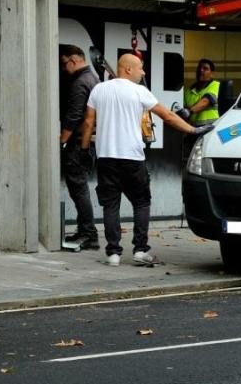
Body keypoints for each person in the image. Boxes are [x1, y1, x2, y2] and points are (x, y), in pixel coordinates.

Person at [79, 53, 200, 267]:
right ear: (128, 69)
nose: (143, 72)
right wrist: (192, 130)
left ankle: (113, 254)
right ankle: (140, 250)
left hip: (106, 158)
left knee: (110, 205)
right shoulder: (139, 91)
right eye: (140, 68)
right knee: (142, 202)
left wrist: (84, 149)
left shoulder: (99, 89)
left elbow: (88, 122)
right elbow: (168, 116)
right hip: (132, 158)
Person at [59, 44, 101, 252]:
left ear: (73, 60)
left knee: (78, 188)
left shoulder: (80, 82)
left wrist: (62, 141)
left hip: (78, 143)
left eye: (64, 64)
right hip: (88, 142)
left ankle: (88, 233)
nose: (63, 69)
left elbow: (74, 116)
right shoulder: (93, 79)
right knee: (80, 187)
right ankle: (85, 230)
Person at [182, 58, 222, 126]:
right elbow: (183, 110)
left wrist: (189, 111)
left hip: (211, 128)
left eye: (205, 68)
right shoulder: (188, 91)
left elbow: (205, 102)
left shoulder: (215, 85)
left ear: (212, 74)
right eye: (199, 68)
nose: (201, 70)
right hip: (193, 129)